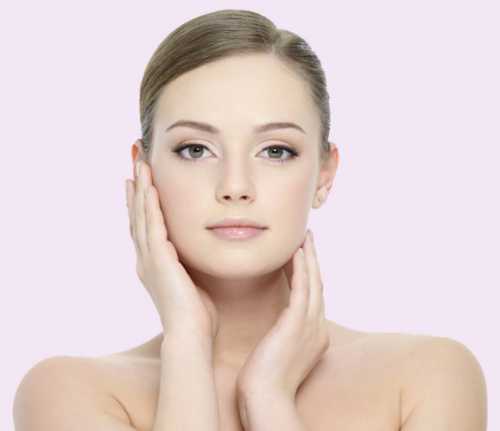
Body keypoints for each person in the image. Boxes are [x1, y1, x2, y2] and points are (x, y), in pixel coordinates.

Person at [14, 9, 487, 431]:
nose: (235, 186)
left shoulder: (426, 377)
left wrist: (268, 398)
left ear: (324, 174)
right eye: (195, 150)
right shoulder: (67, 393)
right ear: (144, 170)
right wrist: (187, 342)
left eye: (276, 151)